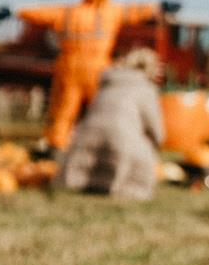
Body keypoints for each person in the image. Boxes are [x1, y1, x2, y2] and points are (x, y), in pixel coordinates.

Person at [0, 0, 162, 152]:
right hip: (98, 70)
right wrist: (159, 7)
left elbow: (43, 13)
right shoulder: (111, 12)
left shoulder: (69, 12)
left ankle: (56, 145)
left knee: (63, 110)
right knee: (103, 108)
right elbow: (136, 11)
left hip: (70, 68)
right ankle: (104, 144)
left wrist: (15, 11)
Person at [55, 48, 164, 200]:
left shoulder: (107, 83)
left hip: (87, 138)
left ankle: (86, 179)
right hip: (120, 141)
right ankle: (128, 185)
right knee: (143, 143)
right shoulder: (146, 89)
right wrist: (158, 141)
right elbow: (155, 128)